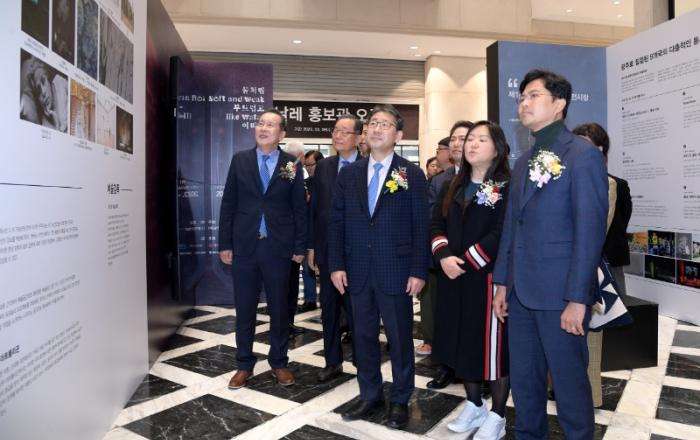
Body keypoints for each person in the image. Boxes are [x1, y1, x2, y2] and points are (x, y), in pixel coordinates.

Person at [492, 69, 608, 440]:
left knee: (569, 384)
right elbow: (512, 227)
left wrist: (578, 298)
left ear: (559, 104)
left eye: (533, 96)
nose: (523, 103)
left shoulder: (582, 155)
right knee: (525, 383)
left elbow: (590, 233)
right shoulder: (524, 160)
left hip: (560, 295)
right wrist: (502, 282)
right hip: (521, 293)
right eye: (522, 97)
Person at [329, 105, 429, 429]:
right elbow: (337, 221)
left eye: (385, 124)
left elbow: (421, 225)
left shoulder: (411, 174)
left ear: (398, 135)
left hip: (396, 270)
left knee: (400, 340)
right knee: (362, 337)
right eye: (373, 123)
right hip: (356, 269)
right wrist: (336, 264)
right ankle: (370, 394)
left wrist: (418, 269)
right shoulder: (350, 174)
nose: (376, 129)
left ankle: (399, 399)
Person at [432, 120, 511, 439]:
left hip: (488, 279)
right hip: (453, 277)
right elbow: (435, 225)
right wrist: (444, 256)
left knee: (492, 350)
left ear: (498, 149)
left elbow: (503, 232)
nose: (472, 144)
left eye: (481, 139)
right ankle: (475, 404)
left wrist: (465, 261)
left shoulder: (506, 186)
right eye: (470, 140)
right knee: (461, 343)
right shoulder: (452, 185)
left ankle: (498, 415)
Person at [219, 109, 307, 389]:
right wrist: (225, 243)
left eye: (271, 125)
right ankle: (244, 364)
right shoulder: (240, 160)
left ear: (281, 133)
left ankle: (279, 362)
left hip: (278, 247)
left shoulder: (291, 163)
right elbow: (229, 203)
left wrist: (300, 245)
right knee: (245, 308)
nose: (264, 128)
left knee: (279, 308)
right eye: (260, 123)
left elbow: (299, 207)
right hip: (245, 245)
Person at [307, 114, 362, 383]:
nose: (338, 136)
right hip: (328, 250)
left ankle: (363, 361)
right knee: (329, 309)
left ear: (359, 138)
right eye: (335, 130)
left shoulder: (368, 166)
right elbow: (315, 210)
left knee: (359, 310)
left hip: (359, 253)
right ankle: (332, 361)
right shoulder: (324, 167)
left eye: (345, 131)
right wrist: (312, 247)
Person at [423, 120, 473, 384]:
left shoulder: (494, 179)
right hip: (446, 261)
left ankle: (475, 373)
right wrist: (443, 255)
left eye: (463, 138)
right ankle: (447, 367)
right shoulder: (440, 180)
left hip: (479, 262)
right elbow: (433, 220)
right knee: (447, 316)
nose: (456, 143)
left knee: (474, 320)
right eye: (453, 139)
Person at [572, 123, 632, 296]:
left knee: (616, 307)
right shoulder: (567, 183)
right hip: (576, 261)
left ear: (601, 152)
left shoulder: (617, 185)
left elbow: (624, 217)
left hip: (609, 259)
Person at [283, 140, 309, 337]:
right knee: (289, 288)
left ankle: (285, 325)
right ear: (301, 156)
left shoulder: (283, 169)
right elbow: (299, 210)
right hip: (290, 242)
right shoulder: (294, 171)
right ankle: (286, 326)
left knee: (283, 288)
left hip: (279, 241)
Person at [297, 150, 324, 313]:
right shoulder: (304, 183)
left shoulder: (328, 182)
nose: (308, 168)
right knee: (307, 267)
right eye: (305, 166)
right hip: (307, 232)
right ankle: (310, 299)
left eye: (311, 165)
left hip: (324, 232)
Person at [20, 54, 68, 132]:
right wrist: (55, 122)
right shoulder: (44, 122)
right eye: (38, 91)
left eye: (43, 81)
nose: (43, 92)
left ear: (48, 78)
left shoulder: (60, 83)